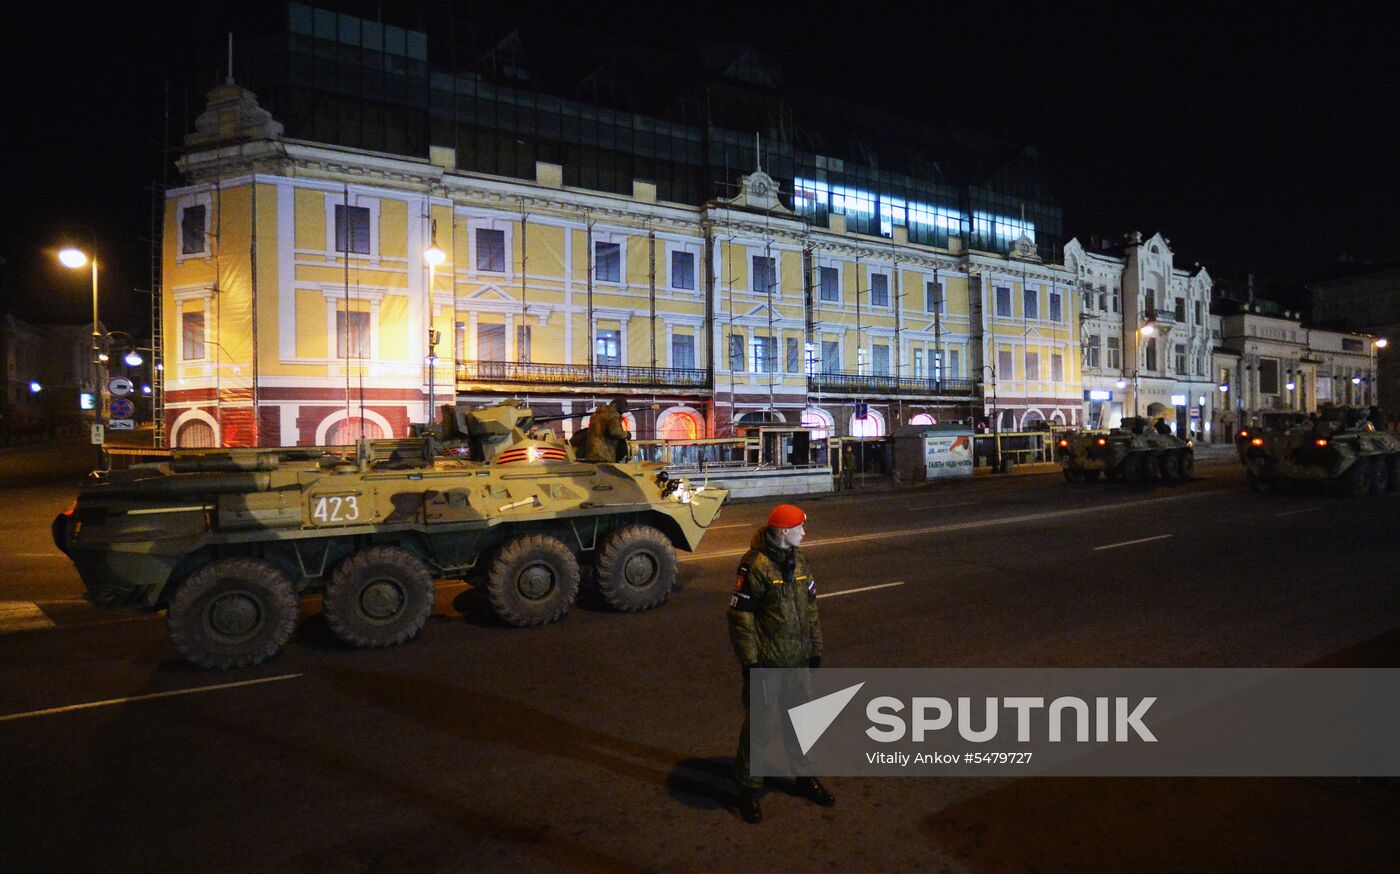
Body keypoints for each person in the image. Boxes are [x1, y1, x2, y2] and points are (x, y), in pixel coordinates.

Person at [727, 503, 834, 824]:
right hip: (768, 666)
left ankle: (804, 778)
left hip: (797, 663)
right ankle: (748, 789)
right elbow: (740, 617)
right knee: (758, 729)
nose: (804, 532)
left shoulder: (799, 560)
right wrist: (751, 662)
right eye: (800, 527)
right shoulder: (755, 566)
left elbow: (811, 608)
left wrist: (815, 648)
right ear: (784, 532)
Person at [570, 396, 631, 462]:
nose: (622, 412)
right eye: (621, 409)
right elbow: (615, 432)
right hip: (605, 454)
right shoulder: (613, 414)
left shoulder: (596, 414)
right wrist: (627, 434)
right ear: (614, 404)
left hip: (591, 452)